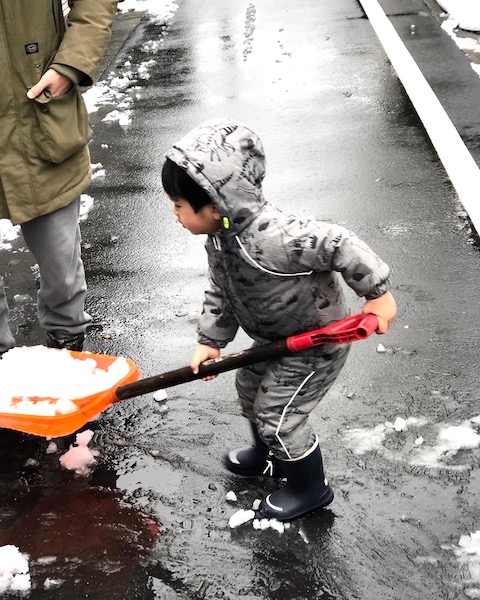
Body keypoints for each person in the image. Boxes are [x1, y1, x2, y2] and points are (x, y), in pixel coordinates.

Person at [161, 118, 397, 522]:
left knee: (280, 416)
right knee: (249, 385)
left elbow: (338, 243)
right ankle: (267, 455)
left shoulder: (277, 237)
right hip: (274, 338)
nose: (174, 212)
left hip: (316, 343)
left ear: (215, 204)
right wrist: (210, 340)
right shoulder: (221, 238)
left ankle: (310, 489)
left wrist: (378, 295)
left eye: (180, 205)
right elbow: (221, 290)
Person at [0, 0, 119, 354]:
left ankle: (67, 352)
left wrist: (70, 65)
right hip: (43, 119)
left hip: (40, 118)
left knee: (61, 268)